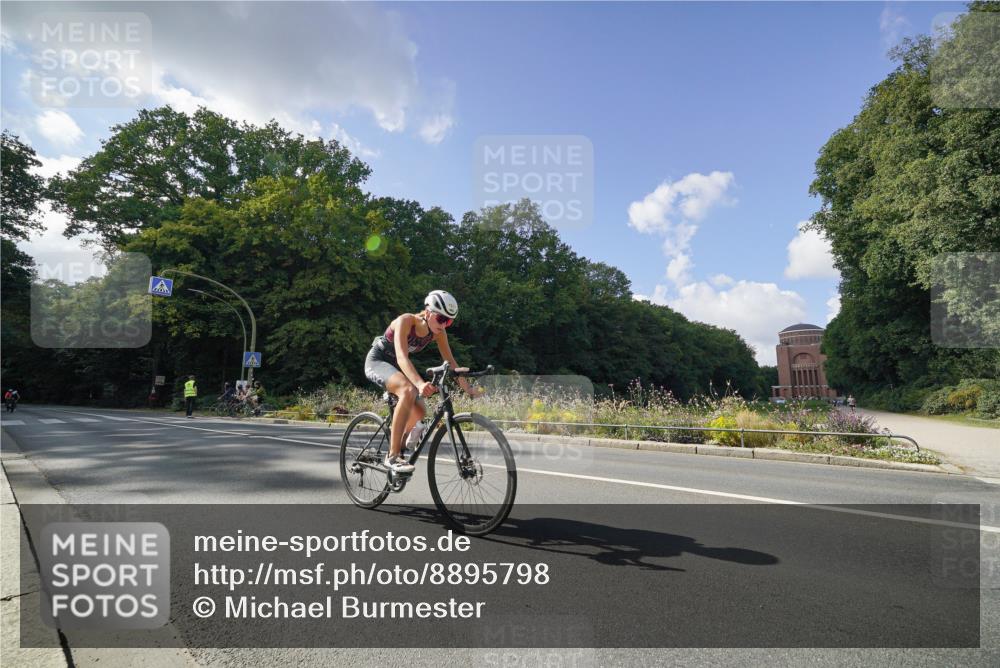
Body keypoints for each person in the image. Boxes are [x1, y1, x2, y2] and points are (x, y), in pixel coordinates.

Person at [364, 290, 483, 474]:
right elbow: (403, 357)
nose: (444, 325)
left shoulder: (438, 333)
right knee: (408, 391)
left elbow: (451, 363)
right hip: (378, 360)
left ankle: (400, 447)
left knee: (420, 410)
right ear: (427, 312)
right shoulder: (406, 321)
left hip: (396, 366)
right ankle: (392, 456)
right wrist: (419, 384)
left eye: (449, 321)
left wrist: (468, 388)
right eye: (441, 319)